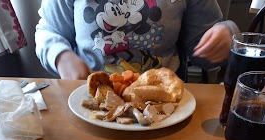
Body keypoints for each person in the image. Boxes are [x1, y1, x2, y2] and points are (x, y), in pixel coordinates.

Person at [35, 0, 239, 81]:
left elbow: (203, 51)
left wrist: (228, 35)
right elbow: (49, 31)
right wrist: (60, 55)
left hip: (164, 103)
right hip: (89, 97)